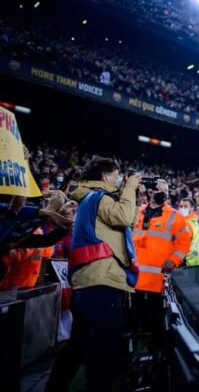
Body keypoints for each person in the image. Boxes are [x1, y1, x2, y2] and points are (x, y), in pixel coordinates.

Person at [46, 156, 141, 392]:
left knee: (78, 344)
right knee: (102, 351)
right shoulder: (98, 196)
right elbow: (123, 217)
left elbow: (126, 223)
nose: (120, 179)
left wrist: (126, 193)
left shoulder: (90, 197)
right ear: (106, 176)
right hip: (102, 280)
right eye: (117, 174)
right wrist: (129, 188)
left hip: (92, 279)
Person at [132, 179, 191, 354]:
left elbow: (184, 243)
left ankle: (157, 358)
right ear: (150, 191)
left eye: (165, 190)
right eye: (159, 189)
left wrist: (173, 260)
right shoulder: (136, 212)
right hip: (133, 280)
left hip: (157, 282)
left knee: (157, 326)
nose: (162, 192)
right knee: (132, 324)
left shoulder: (175, 216)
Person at [179, 198, 199, 265]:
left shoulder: (186, 224)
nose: (182, 208)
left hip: (185, 262)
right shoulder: (194, 222)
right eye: (181, 206)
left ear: (192, 208)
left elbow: (180, 245)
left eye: (185, 206)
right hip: (194, 261)